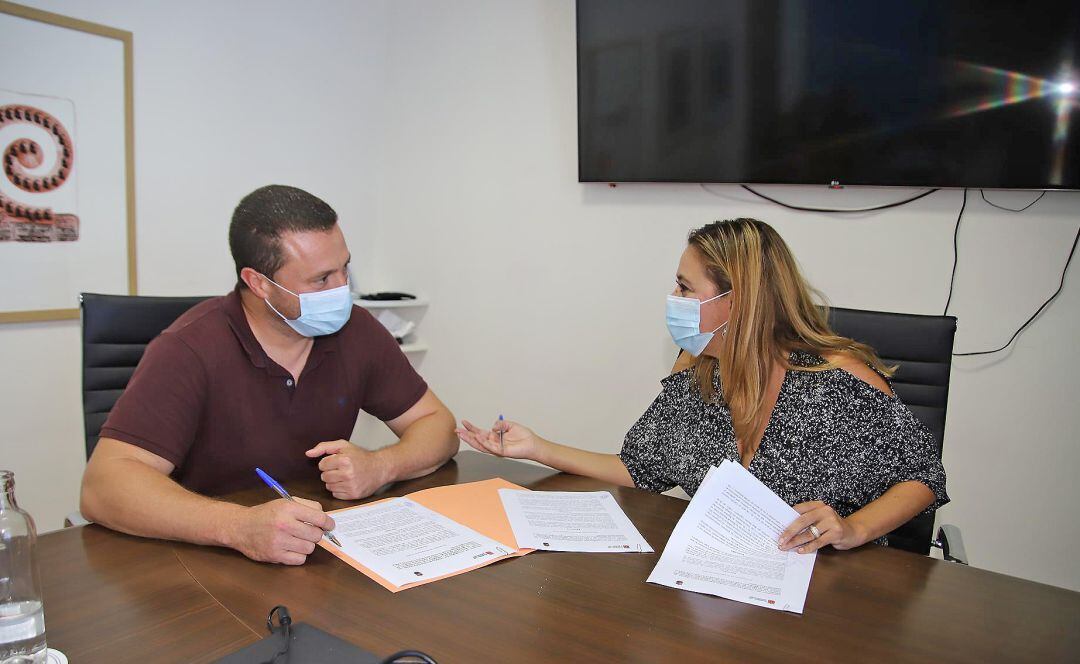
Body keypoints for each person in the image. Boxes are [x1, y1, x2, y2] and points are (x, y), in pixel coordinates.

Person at [458, 218, 947, 554]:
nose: (673, 299)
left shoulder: (835, 379)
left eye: (686, 287)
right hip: (722, 580)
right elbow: (640, 468)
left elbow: (923, 476)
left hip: (832, 591)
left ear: (740, 300)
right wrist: (537, 447)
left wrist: (854, 528)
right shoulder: (696, 370)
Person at [81, 185, 458, 565]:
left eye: (345, 268)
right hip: (206, 564)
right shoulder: (188, 348)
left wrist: (381, 465)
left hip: (316, 550)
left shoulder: (356, 331)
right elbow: (103, 487)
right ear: (259, 282)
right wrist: (239, 527)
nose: (342, 289)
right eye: (321, 279)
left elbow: (437, 424)